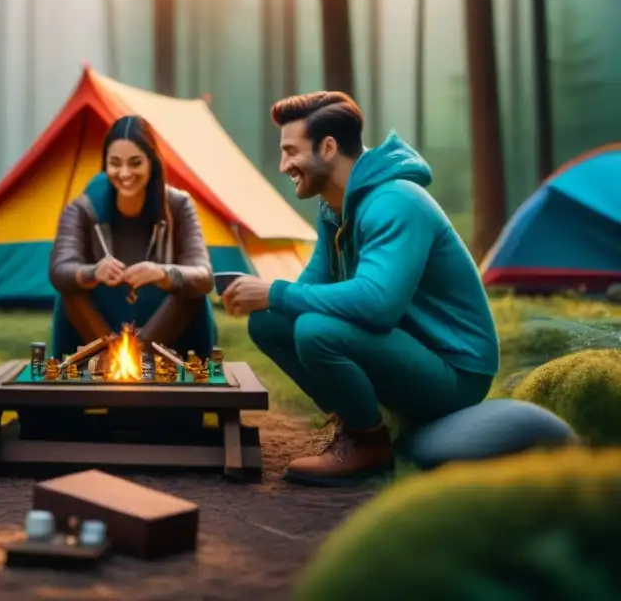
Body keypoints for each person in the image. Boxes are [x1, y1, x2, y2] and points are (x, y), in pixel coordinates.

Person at [222, 92, 499, 486]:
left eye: (291, 152)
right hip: (404, 346)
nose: (284, 166)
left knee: (315, 330)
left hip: (455, 369)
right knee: (270, 322)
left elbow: (378, 304)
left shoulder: (395, 203)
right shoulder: (335, 209)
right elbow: (311, 286)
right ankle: (356, 420)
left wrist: (276, 292)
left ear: (329, 147)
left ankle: (368, 445)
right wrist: (269, 298)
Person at [48, 115, 217, 359]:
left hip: (162, 326)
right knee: (70, 289)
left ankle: (138, 353)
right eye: (115, 163)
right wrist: (92, 272)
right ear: (106, 164)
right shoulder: (82, 209)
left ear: (152, 162)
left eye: (135, 163)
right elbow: (59, 269)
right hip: (99, 325)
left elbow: (203, 274)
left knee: (191, 289)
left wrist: (163, 273)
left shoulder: (179, 206)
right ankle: (111, 355)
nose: (125, 173)